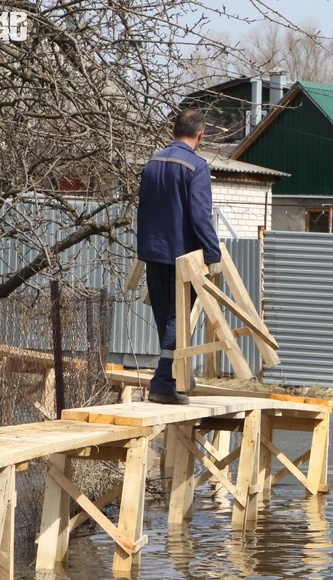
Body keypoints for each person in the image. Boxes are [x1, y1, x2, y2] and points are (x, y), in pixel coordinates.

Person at [136, 109, 222, 404]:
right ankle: (163, 382)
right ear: (200, 134)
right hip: (181, 256)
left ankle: (175, 374)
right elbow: (200, 216)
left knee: (166, 318)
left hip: (152, 251)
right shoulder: (196, 167)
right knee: (179, 318)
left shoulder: (152, 161)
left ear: (174, 131)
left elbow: (144, 207)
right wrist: (213, 253)